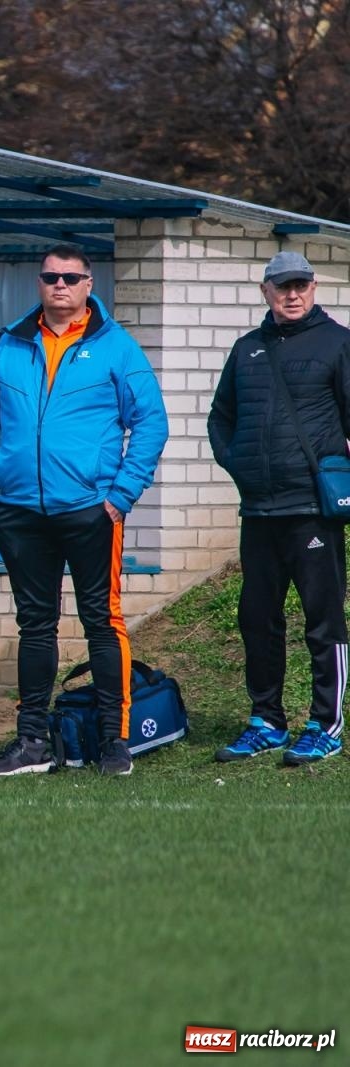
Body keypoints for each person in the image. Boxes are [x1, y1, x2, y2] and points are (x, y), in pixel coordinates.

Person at [0, 244, 169, 777]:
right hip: (18, 512)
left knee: (101, 620)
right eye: (51, 276)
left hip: (89, 510)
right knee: (35, 625)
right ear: (40, 282)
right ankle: (32, 743)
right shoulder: (10, 346)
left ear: (88, 284)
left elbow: (151, 423)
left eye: (70, 278)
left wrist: (120, 496)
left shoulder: (115, 347)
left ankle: (113, 743)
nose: (59, 285)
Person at [208, 251, 350, 766]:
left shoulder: (338, 344)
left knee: (323, 621)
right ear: (265, 291)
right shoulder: (247, 349)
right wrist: (239, 466)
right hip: (260, 510)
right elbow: (220, 417)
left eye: (301, 285)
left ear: (314, 288)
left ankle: (325, 725)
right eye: (281, 286)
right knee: (257, 618)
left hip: (313, 510)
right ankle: (266, 720)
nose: (292, 295)